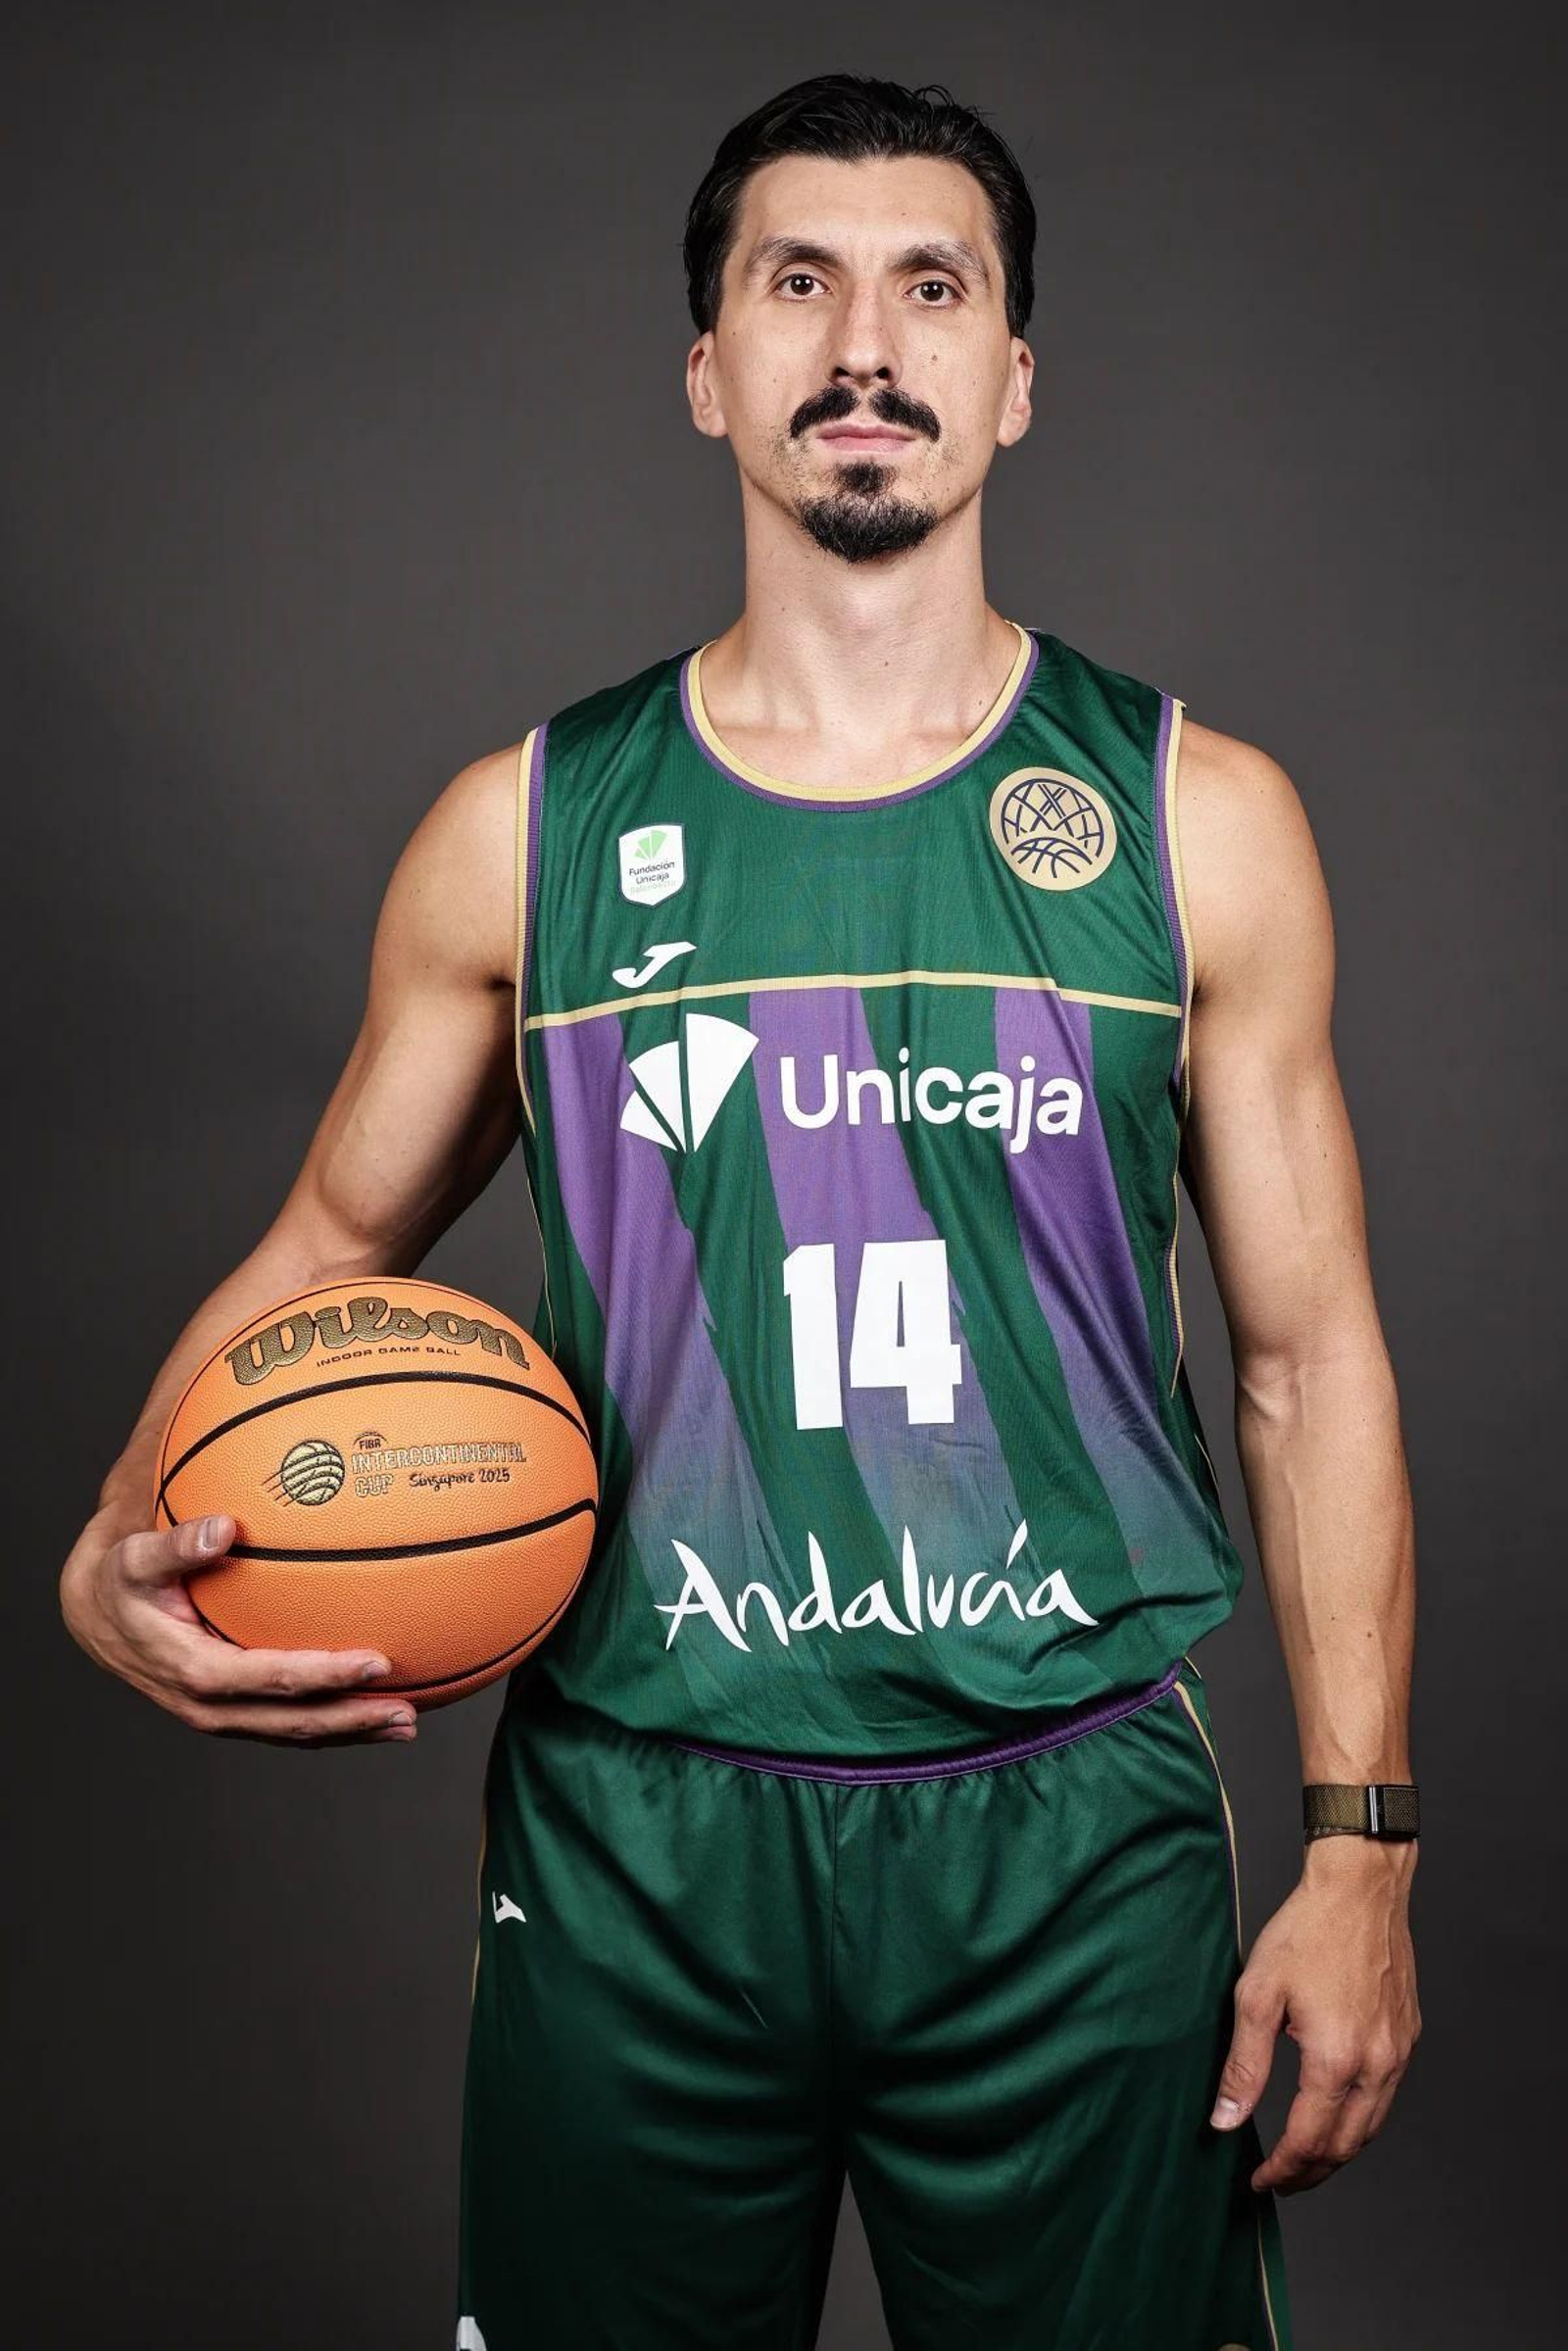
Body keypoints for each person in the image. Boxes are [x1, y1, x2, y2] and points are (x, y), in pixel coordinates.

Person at [60, 71, 1420, 2351]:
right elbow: (322, 1252)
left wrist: (1362, 1845)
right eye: (797, 283)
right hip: (642, 1837)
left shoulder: (1196, 821)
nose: (860, 344)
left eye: (927, 288)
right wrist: (112, 1532)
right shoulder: (523, 833)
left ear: (1012, 375)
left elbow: (1304, 1360)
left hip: (1067, 1835)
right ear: (708, 368)